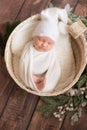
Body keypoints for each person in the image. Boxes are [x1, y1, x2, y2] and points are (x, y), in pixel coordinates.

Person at [19, 7, 75, 93]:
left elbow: (53, 64)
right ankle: (33, 80)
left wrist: (48, 77)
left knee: (56, 71)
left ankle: (44, 84)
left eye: (49, 43)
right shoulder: (29, 47)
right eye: (41, 40)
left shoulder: (51, 52)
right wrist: (31, 75)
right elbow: (24, 61)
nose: (44, 44)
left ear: (53, 44)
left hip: (44, 72)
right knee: (23, 66)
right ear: (34, 37)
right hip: (30, 72)